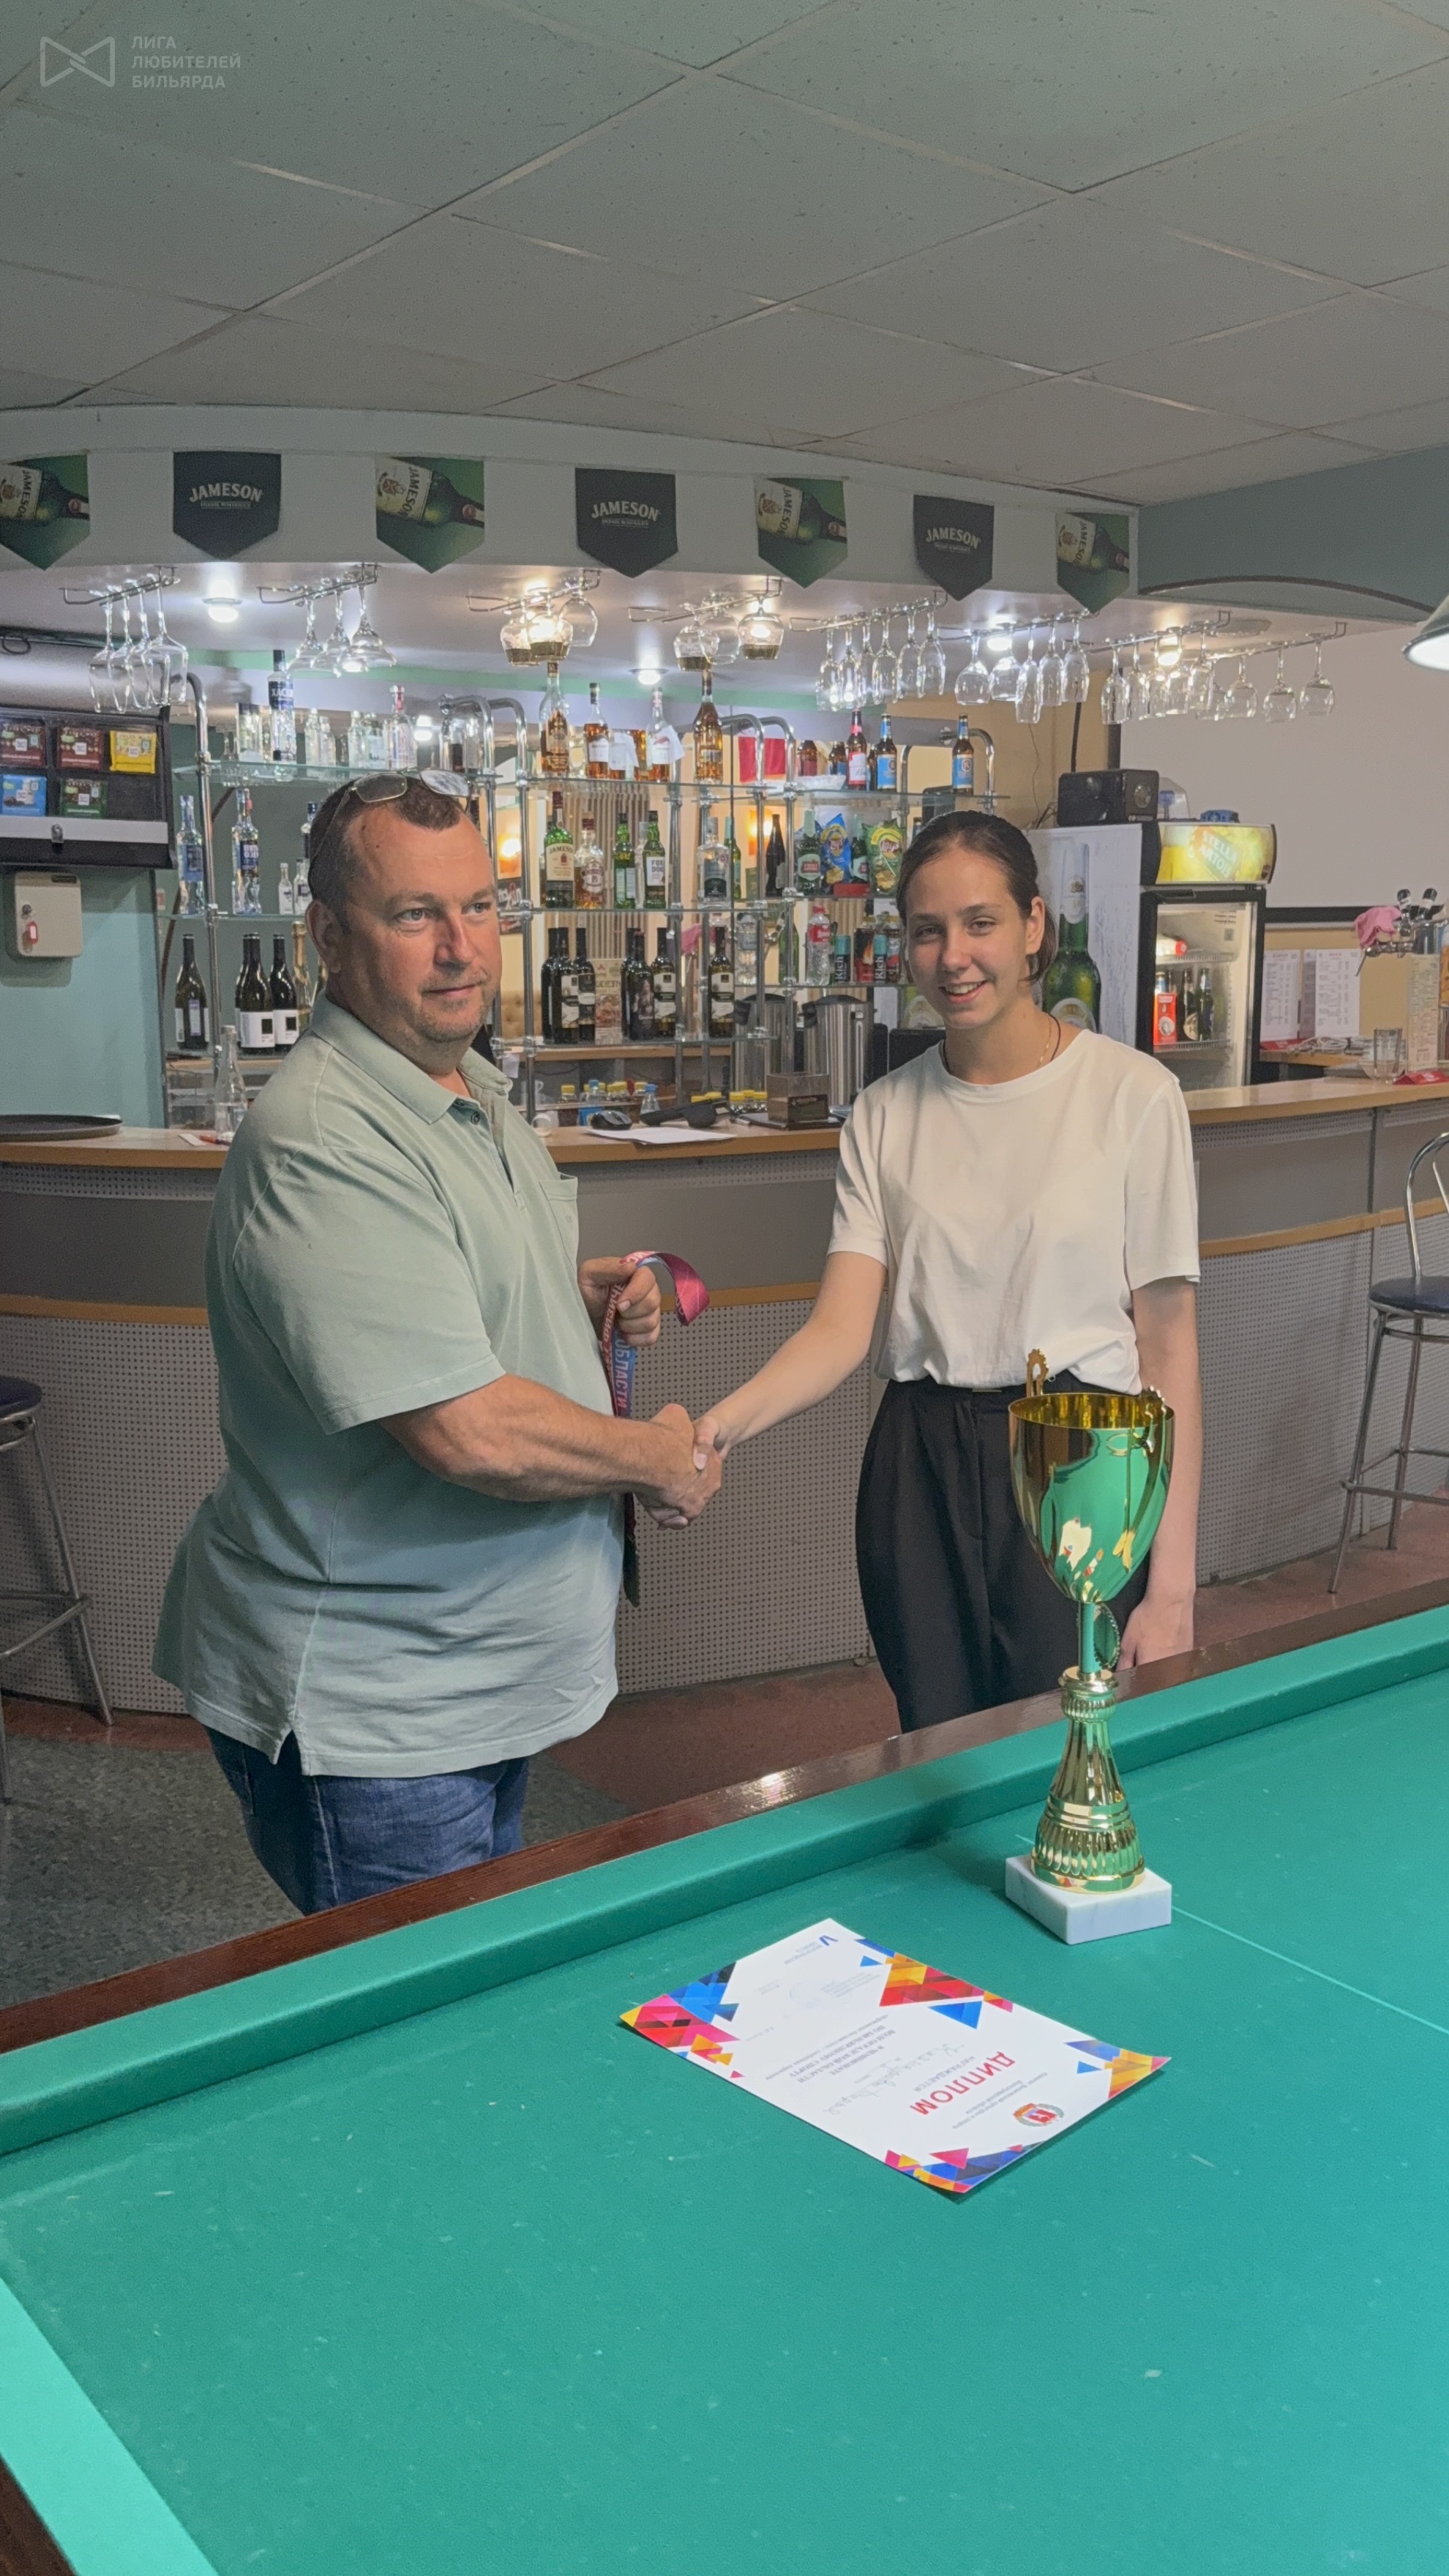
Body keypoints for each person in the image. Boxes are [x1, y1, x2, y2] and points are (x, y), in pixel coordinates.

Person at [155, 771, 719, 1912]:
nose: (462, 947)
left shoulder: (463, 1088)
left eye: (480, 906)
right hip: (384, 1717)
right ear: (328, 938)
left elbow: (444, 1299)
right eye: (416, 914)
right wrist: (657, 1458)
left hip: (472, 1685)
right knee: (420, 2018)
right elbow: (465, 1429)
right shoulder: (325, 1137)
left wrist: (567, 1299)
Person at [693, 812, 1202, 1731]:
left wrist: (1172, 1589)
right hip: (918, 1465)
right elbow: (839, 1329)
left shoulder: (1134, 1096)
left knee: (1067, 1743)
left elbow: (1168, 1353)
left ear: (1034, 926)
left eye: (981, 923)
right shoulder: (883, 1114)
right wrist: (718, 1427)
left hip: (1080, 1458)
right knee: (936, 1745)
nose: (953, 957)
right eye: (928, 931)